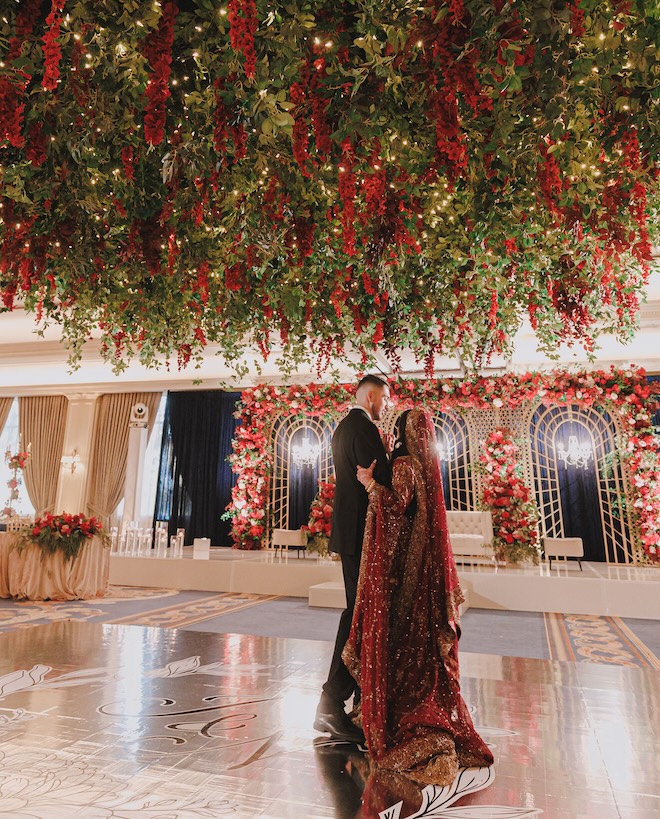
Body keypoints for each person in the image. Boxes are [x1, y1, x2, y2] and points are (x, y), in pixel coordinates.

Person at [343, 408, 494, 784]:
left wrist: (369, 484)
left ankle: (394, 709)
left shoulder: (404, 465)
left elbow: (395, 508)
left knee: (400, 644)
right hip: (423, 575)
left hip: (400, 578)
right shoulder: (427, 468)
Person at [314, 374, 393, 744]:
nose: (386, 407)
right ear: (372, 395)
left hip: (350, 533)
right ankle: (332, 702)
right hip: (363, 535)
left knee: (360, 613)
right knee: (359, 615)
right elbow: (387, 481)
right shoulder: (363, 428)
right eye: (386, 400)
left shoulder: (343, 427)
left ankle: (357, 702)